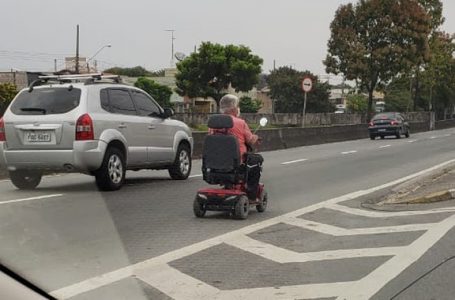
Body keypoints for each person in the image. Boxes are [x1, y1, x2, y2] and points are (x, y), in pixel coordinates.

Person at [213, 94, 264, 199]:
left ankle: (228, 184)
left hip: (214, 162)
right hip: (237, 162)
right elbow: (250, 140)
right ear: (234, 108)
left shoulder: (214, 124)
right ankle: (252, 193)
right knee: (257, 160)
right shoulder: (240, 123)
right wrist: (256, 138)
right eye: (237, 106)